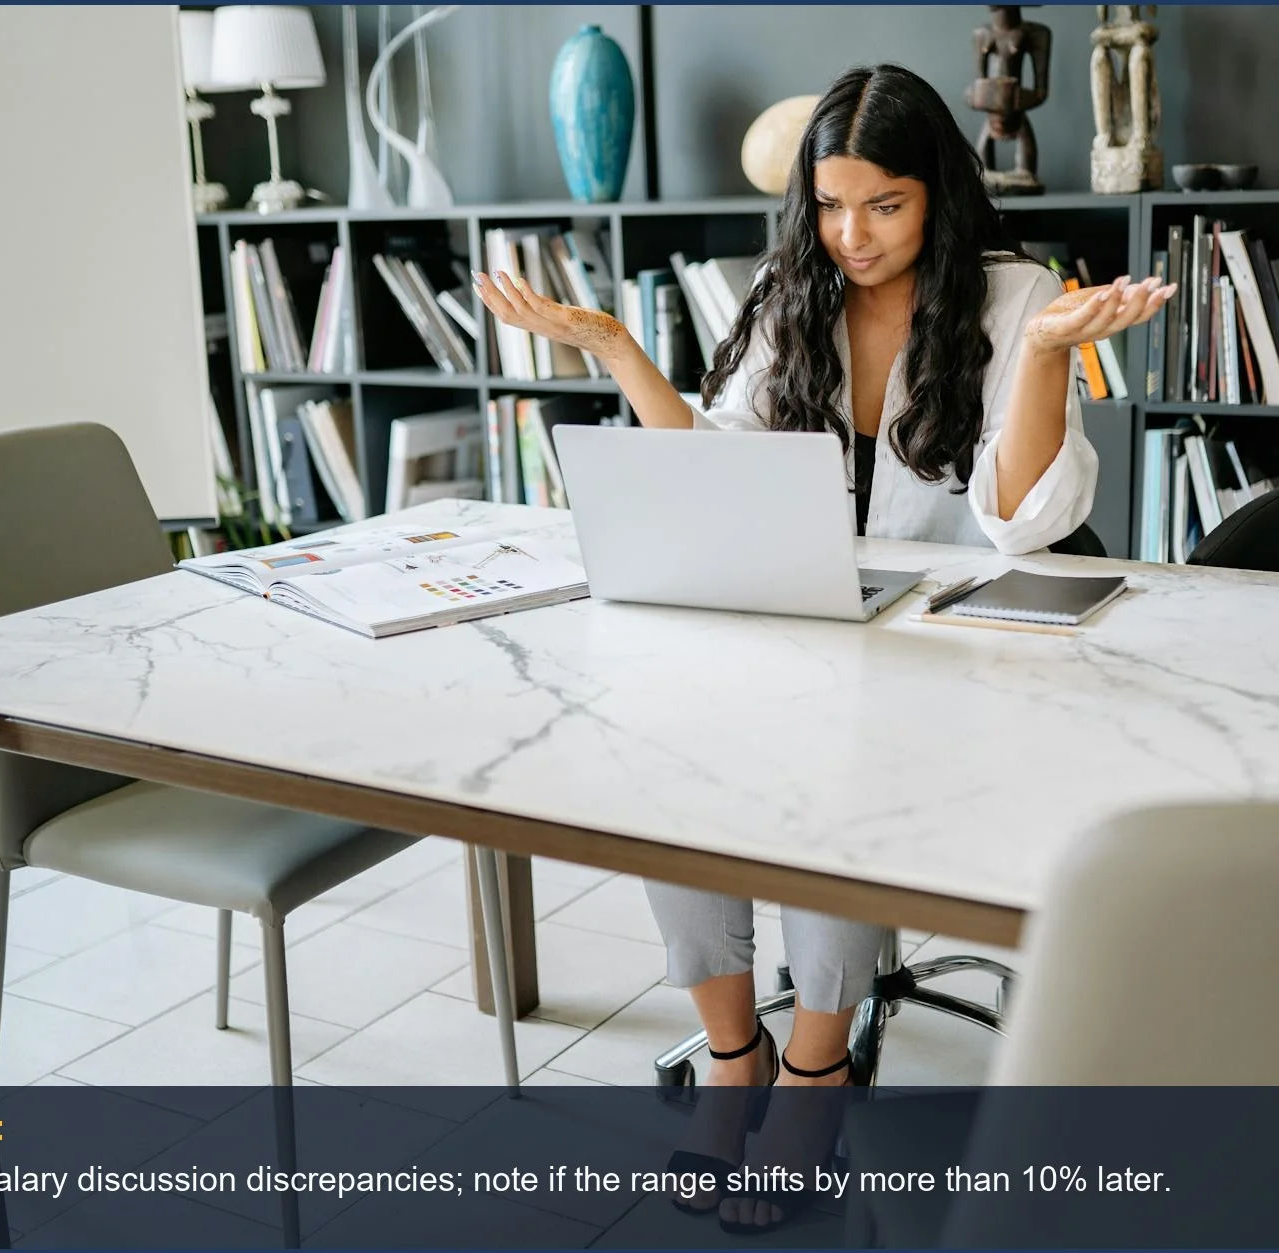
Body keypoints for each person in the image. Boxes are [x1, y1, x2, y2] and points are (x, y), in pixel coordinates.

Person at [476, 62, 1173, 1233]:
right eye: (830, 205)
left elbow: (1023, 521)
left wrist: (1049, 355)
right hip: (809, 616)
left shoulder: (1014, 297)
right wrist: (616, 349)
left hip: (950, 653)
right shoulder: (792, 288)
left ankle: (813, 1069)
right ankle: (731, 1052)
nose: (851, 235)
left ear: (936, 192)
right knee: (664, 758)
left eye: (883, 205)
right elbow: (714, 469)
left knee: (837, 766)